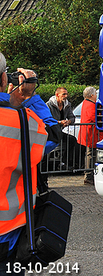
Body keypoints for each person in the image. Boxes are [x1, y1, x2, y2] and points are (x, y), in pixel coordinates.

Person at [0, 53, 54, 275]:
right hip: (6, 234)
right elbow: (53, 136)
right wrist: (28, 96)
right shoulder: (21, 121)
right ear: (4, 79)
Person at [77, 86, 102, 185]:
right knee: (91, 154)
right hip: (91, 133)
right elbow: (94, 118)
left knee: (90, 154)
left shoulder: (86, 103)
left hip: (88, 133)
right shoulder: (91, 105)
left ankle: (88, 175)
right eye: (95, 93)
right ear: (92, 95)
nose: (96, 95)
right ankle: (88, 175)